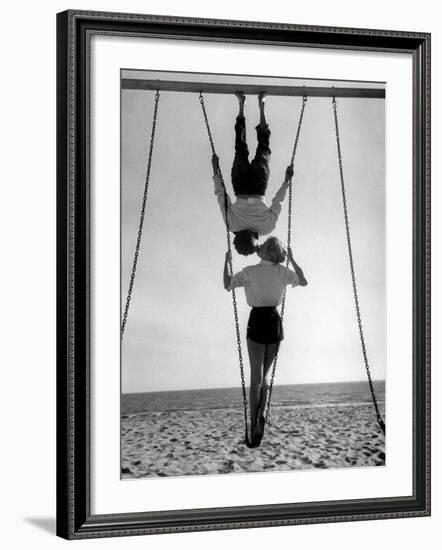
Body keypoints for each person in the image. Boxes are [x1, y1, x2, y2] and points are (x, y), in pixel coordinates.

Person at [223, 236, 308, 447]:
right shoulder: (282, 272)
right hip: (274, 322)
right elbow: (303, 281)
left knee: (256, 378)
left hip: (257, 320)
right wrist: (294, 260)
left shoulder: (249, 271)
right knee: (266, 375)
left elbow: (227, 285)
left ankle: (254, 425)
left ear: (263, 252)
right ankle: (264, 411)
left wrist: (226, 261)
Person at [212, 92, 294, 256]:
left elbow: (278, 202)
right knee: (241, 147)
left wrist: (286, 181)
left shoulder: (266, 228)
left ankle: (256, 105)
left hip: (257, 187)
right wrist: (215, 171)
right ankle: (243, 105)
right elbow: (222, 197)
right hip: (242, 186)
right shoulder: (232, 226)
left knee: (262, 147)